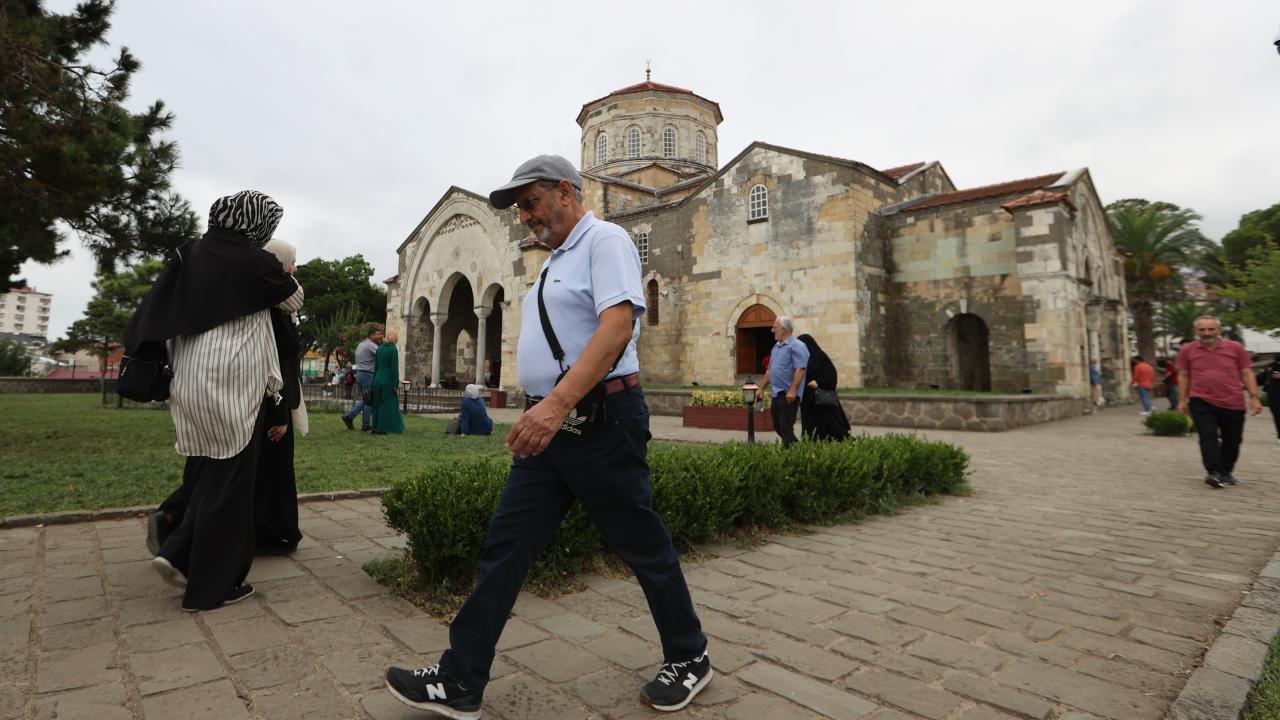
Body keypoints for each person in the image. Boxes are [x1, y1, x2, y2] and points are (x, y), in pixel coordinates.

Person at [385, 154, 710, 718]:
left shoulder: (605, 241)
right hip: (552, 425)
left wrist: (554, 406)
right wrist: (545, 410)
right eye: (520, 210)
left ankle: (690, 656)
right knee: (506, 546)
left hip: (598, 419)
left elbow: (616, 328)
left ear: (566, 191)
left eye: (530, 203)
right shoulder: (557, 258)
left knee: (640, 543)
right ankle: (461, 680)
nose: (526, 217)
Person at [127, 190, 304, 611]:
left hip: (188, 381)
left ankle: (178, 553)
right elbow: (294, 297)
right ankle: (211, 588)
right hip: (232, 383)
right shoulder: (255, 262)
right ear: (254, 224)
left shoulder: (189, 254)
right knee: (233, 487)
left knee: (209, 474)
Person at [255, 238, 306, 556]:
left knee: (271, 472)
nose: (295, 268)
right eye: (291, 262)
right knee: (272, 472)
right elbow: (275, 364)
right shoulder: (271, 309)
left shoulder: (275, 305)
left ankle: (271, 533)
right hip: (271, 402)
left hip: (273, 401)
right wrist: (280, 414)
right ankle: (271, 535)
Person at [1176, 315, 1264, 488]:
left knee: (1233, 440)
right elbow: (1184, 374)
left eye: (1211, 329)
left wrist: (1254, 398)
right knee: (1207, 436)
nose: (1206, 332)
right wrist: (1182, 400)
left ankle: (1226, 472)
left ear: (1219, 330)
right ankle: (1213, 472)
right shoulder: (1188, 350)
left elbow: (1247, 372)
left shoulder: (1236, 348)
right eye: (1202, 329)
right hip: (1201, 400)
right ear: (1196, 331)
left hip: (1233, 401)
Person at [797, 333, 850, 441]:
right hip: (807, 400)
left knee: (827, 424)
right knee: (809, 426)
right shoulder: (802, 358)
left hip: (820, 399)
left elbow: (831, 374)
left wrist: (818, 381)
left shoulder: (820, 356)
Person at [768, 316, 809, 447]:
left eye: (775, 327)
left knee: (785, 426)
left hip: (789, 395)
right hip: (776, 393)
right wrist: (761, 388)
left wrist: (793, 390)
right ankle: (796, 448)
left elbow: (800, 369)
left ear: (783, 329)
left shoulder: (797, 346)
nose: (772, 330)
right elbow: (770, 370)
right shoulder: (776, 347)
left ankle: (790, 454)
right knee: (777, 425)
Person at [342, 327, 383, 431]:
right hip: (367, 374)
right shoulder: (371, 345)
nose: (380, 336)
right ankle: (352, 417)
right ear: (372, 335)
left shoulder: (361, 344)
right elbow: (382, 355)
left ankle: (362, 423)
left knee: (366, 399)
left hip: (360, 374)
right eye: (378, 334)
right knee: (368, 399)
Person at [371, 329, 405, 435]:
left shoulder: (379, 349)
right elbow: (394, 369)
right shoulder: (393, 349)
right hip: (387, 380)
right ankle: (382, 428)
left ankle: (374, 426)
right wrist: (395, 383)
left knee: (376, 403)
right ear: (395, 338)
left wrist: (373, 381)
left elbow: (376, 367)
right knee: (385, 404)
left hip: (377, 379)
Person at [1256, 356, 1280, 446]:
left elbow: (1257, 380)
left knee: (1278, 417)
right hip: (1275, 399)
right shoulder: (1271, 369)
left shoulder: (1270, 369)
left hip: (1273, 399)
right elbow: (1257, 380)